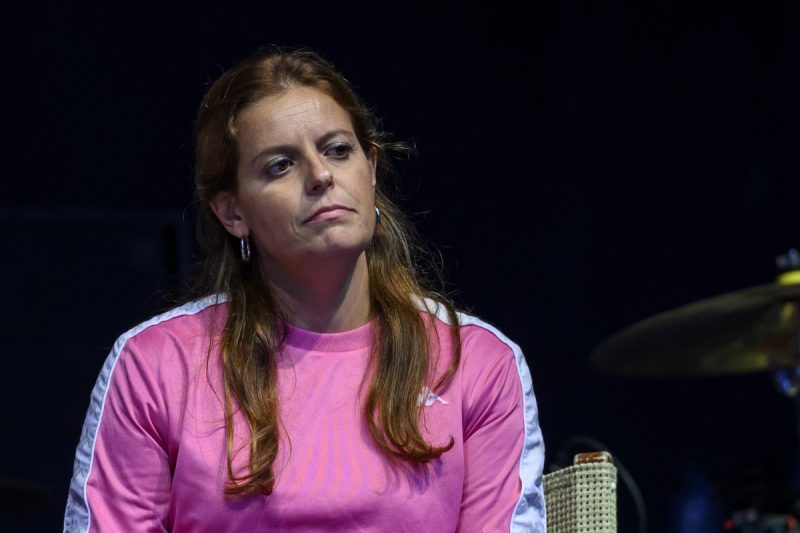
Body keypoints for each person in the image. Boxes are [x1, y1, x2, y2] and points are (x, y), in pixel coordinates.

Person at [64, 47, 546, 532]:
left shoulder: (477, 361)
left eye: (338, 150)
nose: (321, 176)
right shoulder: (154, 363)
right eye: (280, 165)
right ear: (232, 212)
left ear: (371, 169)